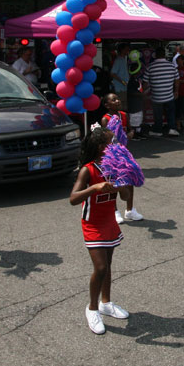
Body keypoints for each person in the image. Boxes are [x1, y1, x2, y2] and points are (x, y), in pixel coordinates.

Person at [70, 128, 129, 335]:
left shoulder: (114, 167)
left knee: (109, 265)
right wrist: (94, 188)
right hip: (92, 224)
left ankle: (106, 303)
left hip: (109, 222)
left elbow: (124, 197)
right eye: (110, 143)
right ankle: (92, 309)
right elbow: (73, 198)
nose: (115, 146)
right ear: (100, 147)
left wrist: (123, 182)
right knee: (101, 267)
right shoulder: (88, 170)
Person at [100, 93, 142, 223]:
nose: (118, 101)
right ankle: (114, 211)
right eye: (114, 100)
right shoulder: (105, 119)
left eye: (118, 99)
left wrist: (129, 134)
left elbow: (130, 130)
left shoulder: (123, 115)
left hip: (124, 154)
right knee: (114, 183)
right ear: (107, 105)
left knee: (129, 180)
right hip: (111, 156)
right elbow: (104, 139)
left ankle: (130, 210)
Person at [143, 47, 179, 137]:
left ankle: (158, 130)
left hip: (156, 96)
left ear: (155, 55)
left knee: (157, 114)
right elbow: (177, 79)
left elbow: (145, 82)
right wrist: (176, 91)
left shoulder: (150, 66)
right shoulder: (171, 65)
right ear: (164, 55)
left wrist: (143, 92)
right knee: (170, 112)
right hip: (169, 95)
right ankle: (172, 128)